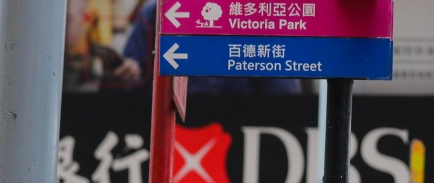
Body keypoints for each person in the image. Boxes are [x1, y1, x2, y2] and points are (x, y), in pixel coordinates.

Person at [111, 0, 302, 94]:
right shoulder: (158, 12)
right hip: (167, 130)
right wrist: (128, 72)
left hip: (239, 131)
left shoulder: (254, 17)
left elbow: (283, 96)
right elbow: (130, 75)